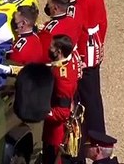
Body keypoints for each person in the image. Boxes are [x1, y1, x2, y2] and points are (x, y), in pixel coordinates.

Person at [71, 0, 108, 155]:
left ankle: (92, 139)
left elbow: (79, 25)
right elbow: (103, 22)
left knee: (88, 97)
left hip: (85, 49)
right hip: (93, 46)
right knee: (92, 96)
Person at [42, 34, 79, 164]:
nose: (49, 48)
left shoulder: (63, 76)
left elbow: (62, 112)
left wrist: (41, 112)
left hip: (55, 133)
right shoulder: (71, 59)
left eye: (52, 46)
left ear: (59, 51)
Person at [38, 0, 80, 64]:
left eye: (49, 5)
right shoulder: (73, 20)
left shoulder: (50, 30)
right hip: (72, 61)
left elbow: (43, 55)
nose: (47, 6)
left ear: (55, 8)